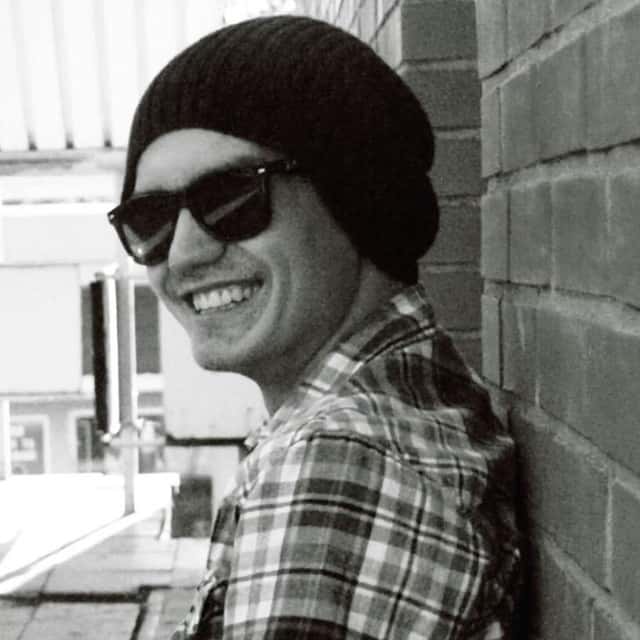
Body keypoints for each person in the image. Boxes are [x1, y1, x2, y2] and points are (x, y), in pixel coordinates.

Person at [108, 15, 520, 639]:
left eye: (231, 197)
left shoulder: (337, 463)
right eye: (150, 219)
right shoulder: (390, 407)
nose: (185, 253)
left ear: (357, 197)